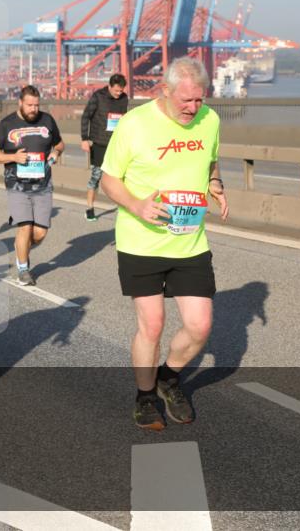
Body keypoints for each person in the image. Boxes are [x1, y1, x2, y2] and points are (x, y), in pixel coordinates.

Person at [99, 57, 228, 431]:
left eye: (199, 100)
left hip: (189, 241)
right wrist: (138, 205)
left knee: (200, 326)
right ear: (165, 91)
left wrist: (214, 185)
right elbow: (109, 179)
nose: (193, 108)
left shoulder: (210, 121)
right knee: (152, 325)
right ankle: (144, 396)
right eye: (185, 100)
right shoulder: (134, 124)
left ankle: (169, 378)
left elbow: (211, 162)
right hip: (141, 241)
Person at [0, 85, 65, 286]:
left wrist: (56, 153)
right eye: (30, 105)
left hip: (43, 184)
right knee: (25, 227)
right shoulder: (7, 124)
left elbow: (59, 144)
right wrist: (14, 156)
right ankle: (23, 269)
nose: (33, 109)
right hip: (17, 185)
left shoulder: (47, 120)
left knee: (39, 233)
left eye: (36, 105)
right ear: (20, 103)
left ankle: (21, 249)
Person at [80, 73, 129, 221]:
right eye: (116, 91)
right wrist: (84, 139)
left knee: (121, 177)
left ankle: (124, 208)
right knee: (96, 176)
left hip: (116, 143)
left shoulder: (124, 98)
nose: (118, 94)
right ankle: (89, 208)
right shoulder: (98, 97)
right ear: (109, 86)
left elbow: (125, 118)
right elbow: (85, 116)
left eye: (121, 91)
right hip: (100, 143)